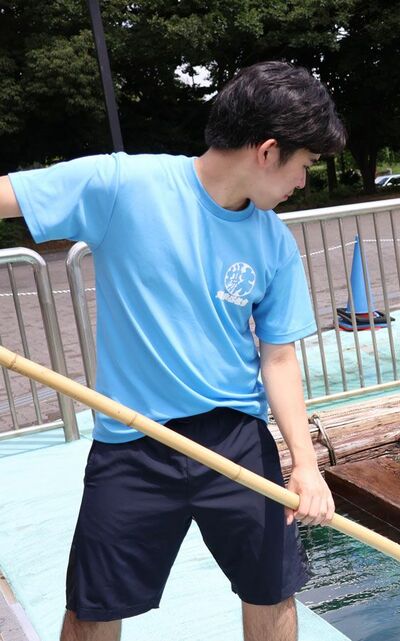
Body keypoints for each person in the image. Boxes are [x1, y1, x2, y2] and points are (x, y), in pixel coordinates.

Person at [0, 61, 345, 641]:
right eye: (304, 166)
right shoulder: (122, 187)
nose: (302, 183)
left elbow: (279, 358)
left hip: (236, 440)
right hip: (133, 444)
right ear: (267, 152)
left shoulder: (274, 243)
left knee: (273, 592)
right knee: (92, 607)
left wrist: (306, 466)